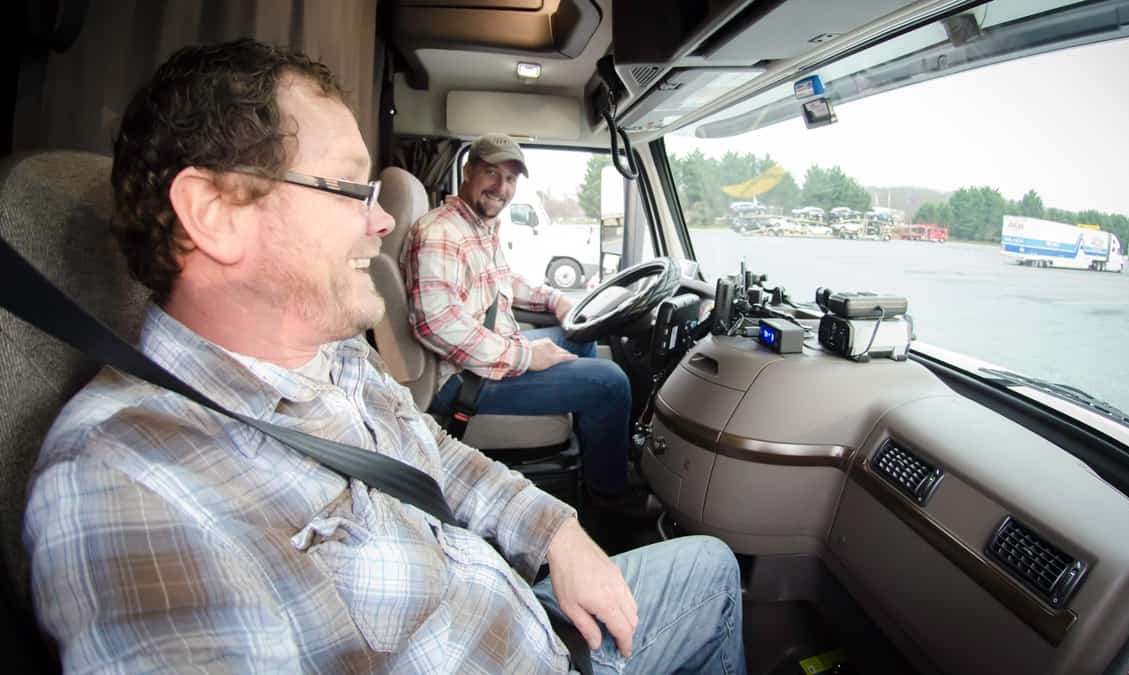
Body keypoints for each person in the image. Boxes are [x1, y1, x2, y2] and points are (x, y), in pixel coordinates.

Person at [22, 39, 745, 673]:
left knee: (705, 560)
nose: (382, 219)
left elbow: (427, 448)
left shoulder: (331, 352)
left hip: (518, 611)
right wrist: (529, 357)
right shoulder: (126, 486)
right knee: (709, 562)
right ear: (216, 214)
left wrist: (555, 528)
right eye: (348, 188)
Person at [402, 133, 649, 512]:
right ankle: (610, 497)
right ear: (467, 172)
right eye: (491, 173)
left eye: (511, 179)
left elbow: (506, 282)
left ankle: (591, 456)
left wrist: (557, 299)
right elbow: (436, 323)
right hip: (460, 379)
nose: (501, 188)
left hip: (487, 354)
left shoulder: (478, 227)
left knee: (579, 335)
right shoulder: (440, 232)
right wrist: (525, 356)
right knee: (611, 383)